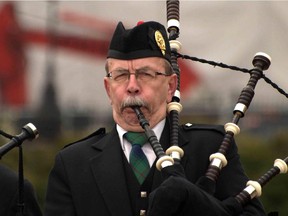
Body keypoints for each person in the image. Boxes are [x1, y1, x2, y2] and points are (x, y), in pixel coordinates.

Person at [44, 21, 266, 216]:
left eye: (145, 74)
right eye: (120, 75)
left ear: (170, 86)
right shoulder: (73, 164)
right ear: (108, 88)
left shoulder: (211, 148)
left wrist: (198, 201)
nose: (132, 87)